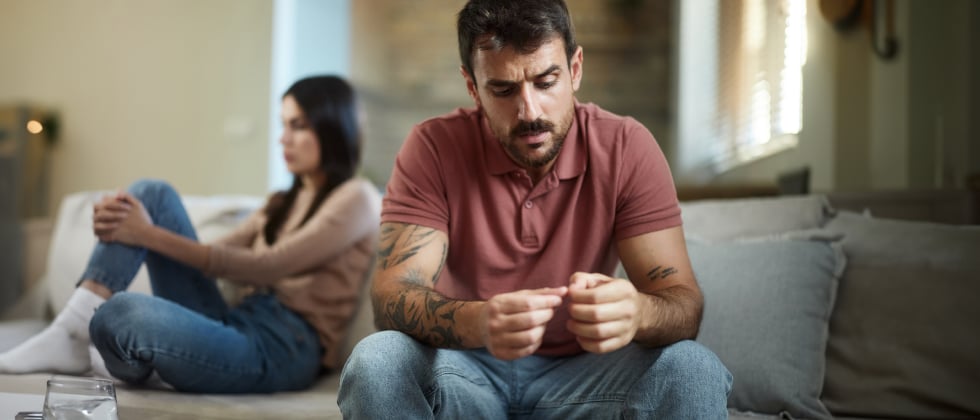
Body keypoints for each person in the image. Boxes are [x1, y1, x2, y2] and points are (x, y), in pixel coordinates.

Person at [338, 0, 733, 417]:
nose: (530, 112)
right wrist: (479, 322)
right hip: (463, 369)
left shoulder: (626, 146)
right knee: (376, 361)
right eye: (503, 90)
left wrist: (639, 313)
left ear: (575, 69)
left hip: (585, 377)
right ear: (472, 87)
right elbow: (391, 297)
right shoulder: (433, 148)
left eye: (546, 82)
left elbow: (683, 305)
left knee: (692, 366)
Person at [0, 75, 381, 393]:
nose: (283, 138)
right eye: (283, 125)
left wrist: (146, 235)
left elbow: (267, 267)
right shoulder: (283, 200)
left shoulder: (357, 197)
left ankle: (110, 347)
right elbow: (211, 254)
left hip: (284, 347)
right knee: (151, 193)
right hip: (234, 319)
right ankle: (71, 330)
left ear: (334, 127)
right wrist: (129, 226)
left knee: (119, 315)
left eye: (298, 126)